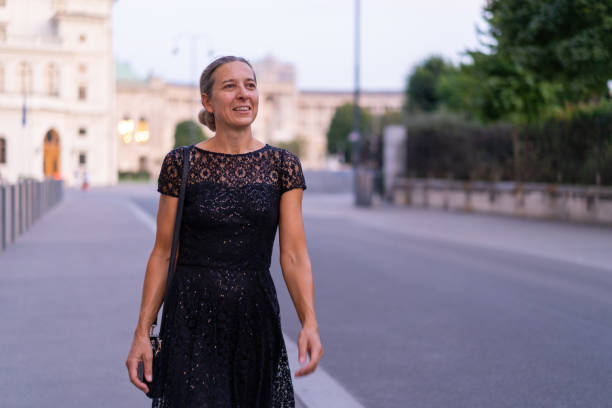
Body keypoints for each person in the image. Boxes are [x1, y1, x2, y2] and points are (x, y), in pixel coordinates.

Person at [125, 56, 323, 407]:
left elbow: (293, 255)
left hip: (255, 317)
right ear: (208, 101)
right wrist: (143, 333)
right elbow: (163, 252)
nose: (243, 95)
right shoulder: (181, 163)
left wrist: (310, 322)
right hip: (191, 318)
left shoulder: (283, 166)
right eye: (230, 86)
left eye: (250, 85)